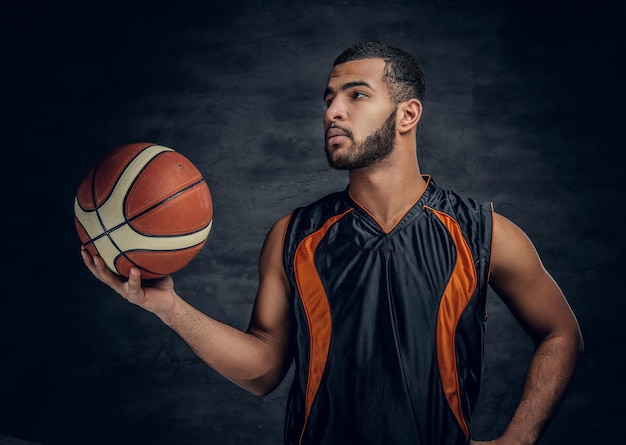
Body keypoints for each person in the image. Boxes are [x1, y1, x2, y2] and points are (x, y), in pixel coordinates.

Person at [81, 42, 583, 444]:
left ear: (407, 115)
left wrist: (518, 438)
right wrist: (170, 308)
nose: (332, 112)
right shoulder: (294, 235)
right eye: (328, 99)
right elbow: (262, 372)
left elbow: (561, 333)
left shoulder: (482, 230)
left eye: (356, 95)